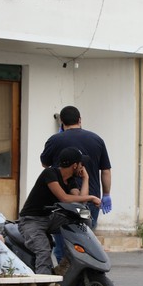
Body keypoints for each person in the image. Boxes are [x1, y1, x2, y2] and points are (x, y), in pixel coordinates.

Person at [18, 147, 101, 276]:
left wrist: (86, 179)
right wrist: (91, 197)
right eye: (81, 164)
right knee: (43, 251)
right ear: (75, 165)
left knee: (81, 219)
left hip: (50, 218)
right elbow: (64, 198)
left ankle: (64, 267)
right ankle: (43, 285)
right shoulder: (49, 174)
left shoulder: (70, 180)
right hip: (31, 220)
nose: (82, 167)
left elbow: (80, 201)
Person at [41, 106, 112, 228]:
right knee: (85, 235)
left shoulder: (55, 140)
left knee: (63, 236)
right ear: (80, 120)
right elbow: (105, 170)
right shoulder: (96, 140)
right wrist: (106, 194)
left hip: (62, 201)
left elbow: (45, 164)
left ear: (62, 122)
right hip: (89, 200)